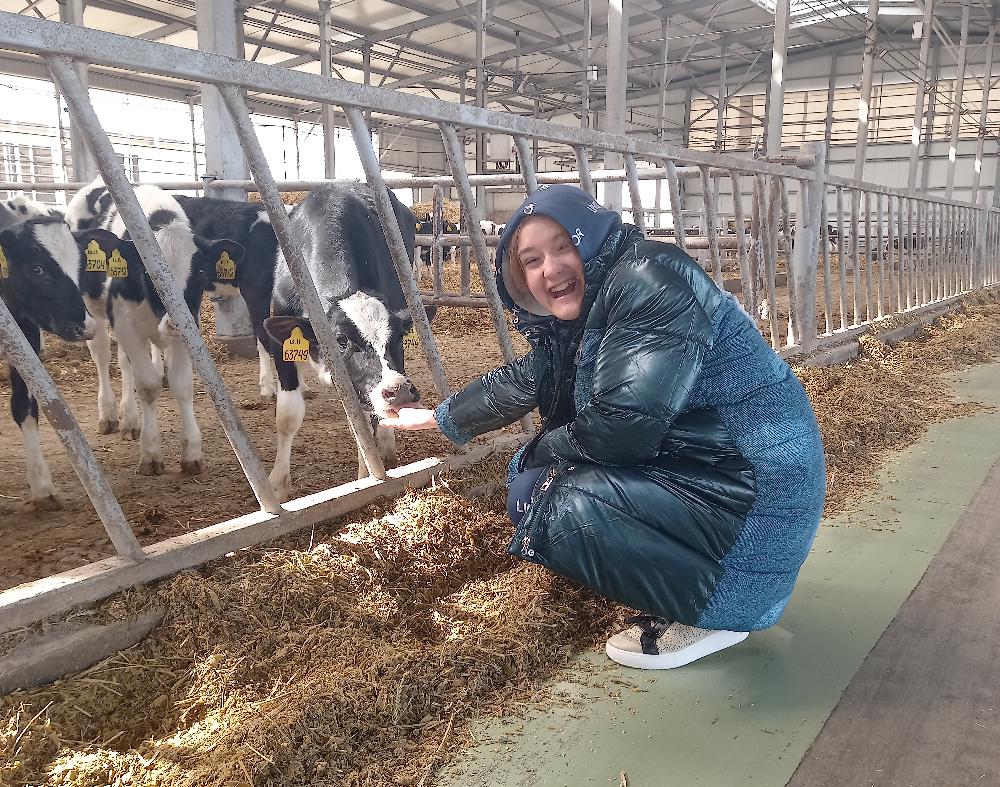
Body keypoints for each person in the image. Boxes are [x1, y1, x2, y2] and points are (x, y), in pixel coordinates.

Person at [381, 185, 825, 670]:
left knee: (556, 499)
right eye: (531, 261)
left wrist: (540, 451)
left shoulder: (648, 281)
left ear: (592, 238)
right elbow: (532, 377)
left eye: (564, 246)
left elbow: (623, 428)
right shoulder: (603, 300)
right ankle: (700, 583)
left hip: (760, 494)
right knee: (533, 482)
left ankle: (714, 612)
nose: (550, 269)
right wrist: (441, 417)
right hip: (727, 469)